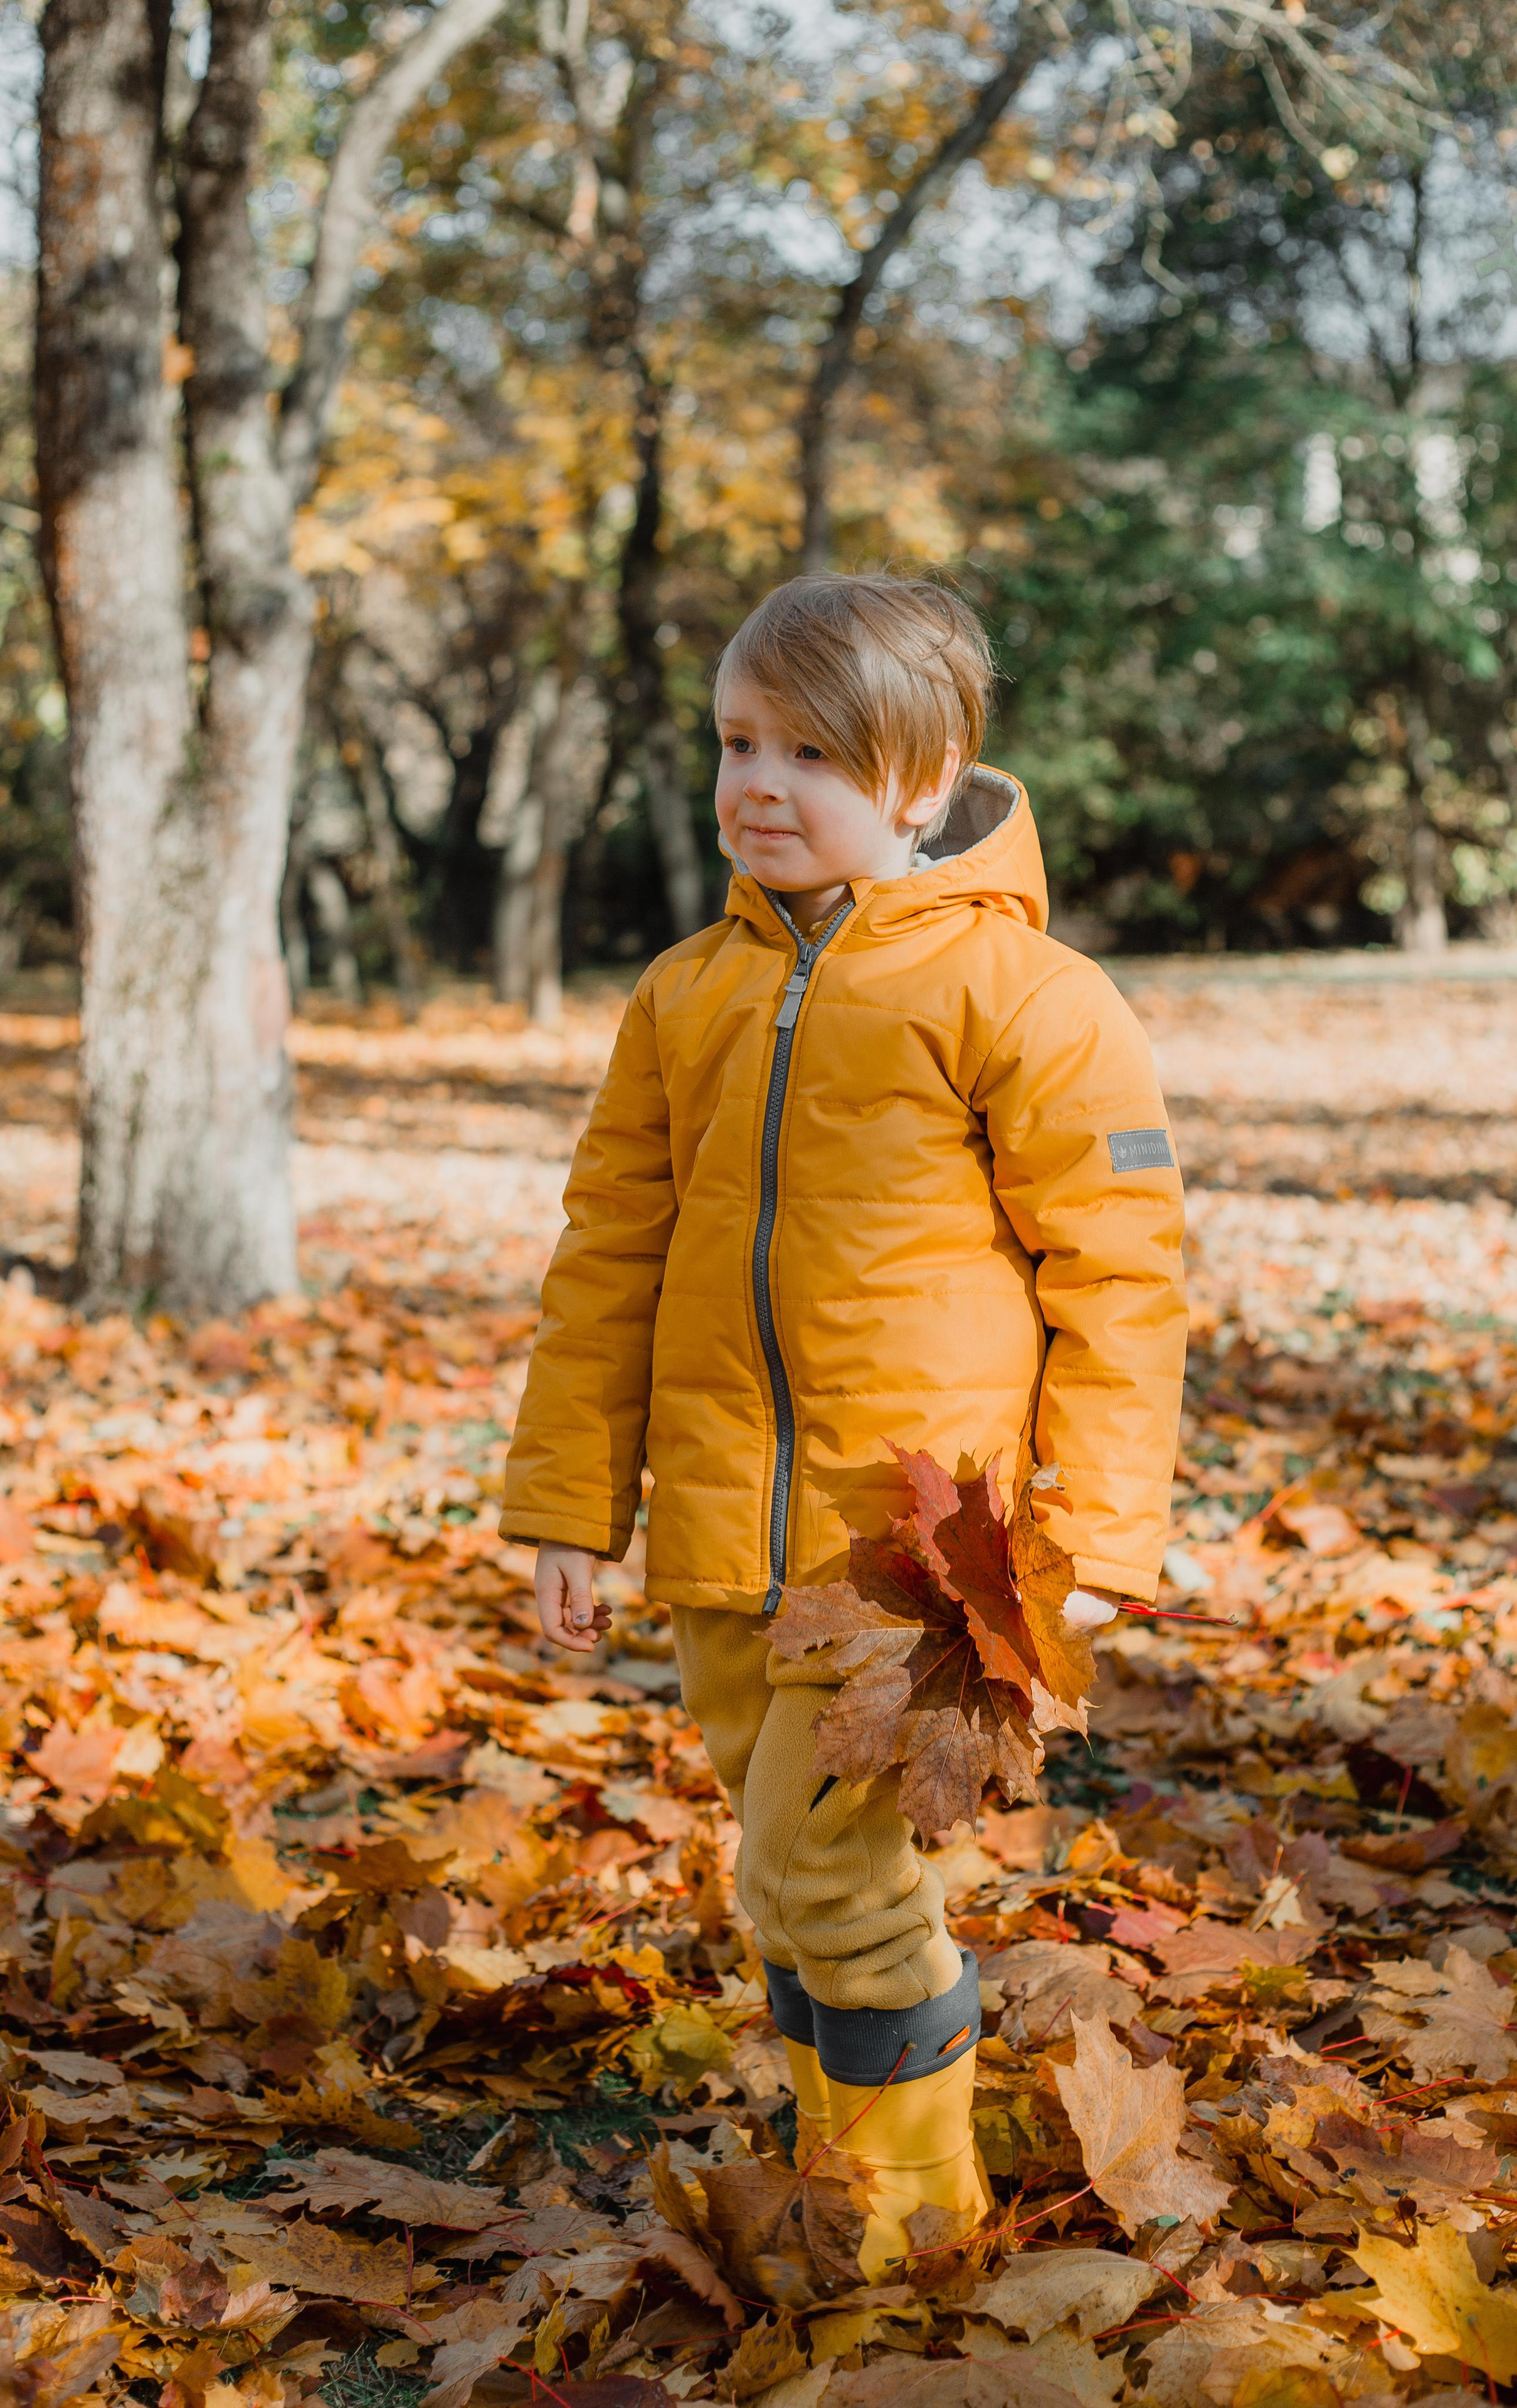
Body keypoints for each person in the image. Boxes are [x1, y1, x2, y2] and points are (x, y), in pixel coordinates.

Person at [501, 572, 1187, 2275]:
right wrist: (573, 1505)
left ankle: (908, 2237)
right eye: (739, 741)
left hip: (909, 1560)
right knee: (785, 1878)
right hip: (724, 1536)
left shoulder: (1026, 995)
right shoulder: (685, 995)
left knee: (832, 1880)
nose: (758, 783)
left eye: (813, 753)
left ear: (924, 779)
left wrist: (1092, 1539)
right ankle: (846, 2174)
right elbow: (610, 1257)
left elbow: (1121, 1276)